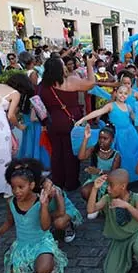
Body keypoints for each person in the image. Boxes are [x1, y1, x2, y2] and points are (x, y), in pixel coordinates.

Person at [0, 159, 68, 273]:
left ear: (32, 185)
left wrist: (44, 205)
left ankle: (50, 259)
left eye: (21, 187)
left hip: (41, 242)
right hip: (22, 245)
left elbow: (45, 226)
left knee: (42, 271)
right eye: (13, 187)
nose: (16, 191)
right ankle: (30, 263)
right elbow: (9, 222)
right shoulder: (11, 202)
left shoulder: (40, 201)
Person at [86, 169, 138, 273]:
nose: (108, 188)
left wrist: (127, 206)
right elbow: (90, 210)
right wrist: (94, 188)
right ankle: (130, 257)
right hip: (120, 240)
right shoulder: (107, 198)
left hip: (136, 234)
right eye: (107, 185)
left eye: (111, 185)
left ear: (122, 186)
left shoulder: (136, 197)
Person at [40, 56, 96, 191]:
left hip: (53, 122)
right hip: (71, 122)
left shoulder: (43, 86)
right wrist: (89, 64)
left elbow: (38, 105)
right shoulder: (70, 81)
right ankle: (70, 183)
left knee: (57, 153)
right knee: (70, 153)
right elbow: (91, 83)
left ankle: (58, 181)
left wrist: (44, 122)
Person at [75, 85, 138, 183]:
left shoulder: (128, 107)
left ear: (128, 95)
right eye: (120, 92)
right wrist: (83, 119)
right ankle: (117, 177)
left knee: (130, 155)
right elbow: (98, 111)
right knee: (119, 155)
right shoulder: (111, 105)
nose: (122, 95)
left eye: (125, 93)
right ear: (115, 93)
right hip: (116, 134)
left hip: (129, 134)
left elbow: (134, 119)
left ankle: (128, 176)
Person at [79, 125, 121, 219]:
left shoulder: (116, 155)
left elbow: (114, 174)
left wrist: (99, 171)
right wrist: (86, 138)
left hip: (108, 181)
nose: (102, 141)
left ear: (112, 140)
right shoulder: (94, 149)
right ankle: (94, 206)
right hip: (95, 180)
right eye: (100, 138)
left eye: (105, 138)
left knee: (110, 194)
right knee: (85, 191)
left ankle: (102, 207)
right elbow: (81, 157)